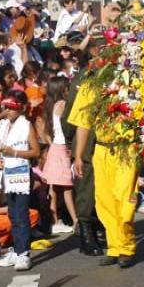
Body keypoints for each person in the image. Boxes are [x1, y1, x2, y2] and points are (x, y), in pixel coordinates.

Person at [68, 37, 138, 268]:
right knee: (104, 201)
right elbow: (83, 123)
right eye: (98, 53)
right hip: (101, 151)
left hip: (125, 148)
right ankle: (115, 247)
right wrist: (78, 156)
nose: (101, 58)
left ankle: (126, 247)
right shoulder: (90, 85)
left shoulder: (130, 81)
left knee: (125, 200)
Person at [0, 90, 40, 271]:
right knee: (12, 214)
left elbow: (36, 151)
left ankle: (24, 253)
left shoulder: (26, 125)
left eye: (12, 108)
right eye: (7, 107)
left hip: (20, 173)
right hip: (6, 174)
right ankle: (17, 249)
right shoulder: (4, 125)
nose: (8, 111)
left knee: (20, 214)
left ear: (20, 108)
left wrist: (14, 153)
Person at [41, 77, 79, 234]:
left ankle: (55, 220)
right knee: (67, 186)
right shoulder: (63, 104)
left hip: (55, 147)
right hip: (63, 146)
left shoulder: (51, 106)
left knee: (54, 186)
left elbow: (45, 131)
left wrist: (51, 145)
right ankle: (76, 220)